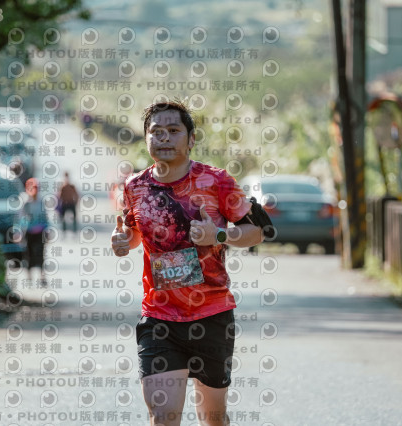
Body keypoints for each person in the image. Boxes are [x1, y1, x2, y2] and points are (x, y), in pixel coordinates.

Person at [111, 100, 264, 426]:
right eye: (156, 132)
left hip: (212, 315)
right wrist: (123, 241)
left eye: (173, 130)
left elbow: (256, 232)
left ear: (191, 138)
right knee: (163, 417)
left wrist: (218, 235)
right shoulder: (135, 186)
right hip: (159, 318)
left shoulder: (217, 181)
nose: (164, 137)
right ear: (146, 138)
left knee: (213, 418)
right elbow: (133, 234)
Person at [18, 177, 48, 286]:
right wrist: (19, 232)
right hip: (29, 231)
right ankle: (29, 277)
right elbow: (21, 218)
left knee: (41, 254)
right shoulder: (25, 202)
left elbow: (45, 216)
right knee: (28, 254)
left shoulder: (40, 202)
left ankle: (42, 276)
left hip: (40, 231)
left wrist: (47, 229)